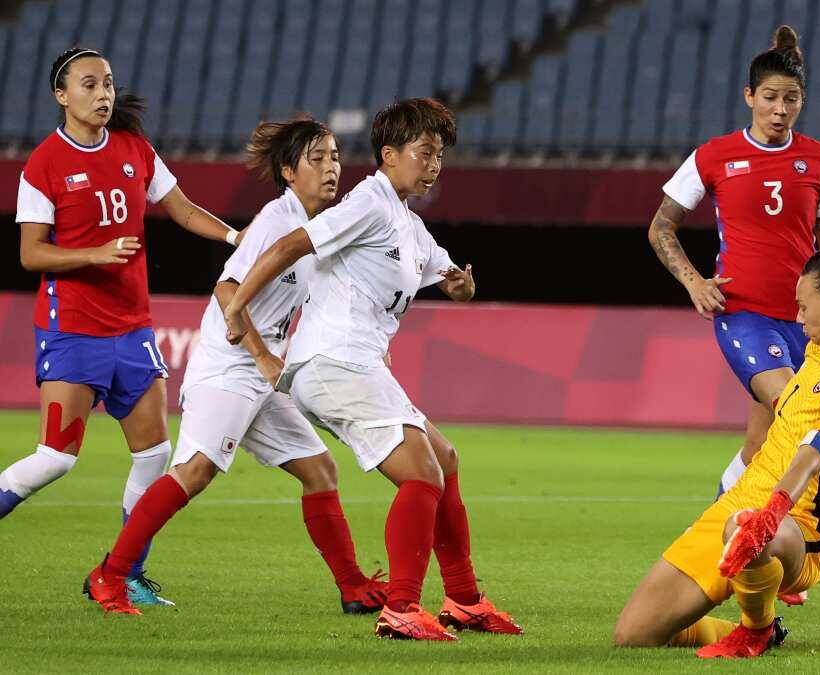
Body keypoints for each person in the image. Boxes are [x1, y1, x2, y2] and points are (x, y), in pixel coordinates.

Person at [221, 98, 517, 640]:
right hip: (332, 361)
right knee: (421, 472)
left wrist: (462, 286)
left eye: (440, 155)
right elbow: (292, 244)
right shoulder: (368, 202)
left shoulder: (409, 224)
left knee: (444, 459)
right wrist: (238, 306)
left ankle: (464, 600)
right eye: (425, 152)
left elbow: (451, 279)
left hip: (356, 364)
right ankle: (402, 608)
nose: (434, 165)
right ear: (389, 154)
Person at [84, 116, 388, 616]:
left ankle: (353, 587)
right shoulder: (276, 221)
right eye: (317, 159)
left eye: (335, 157)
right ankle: (111, 575)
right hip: (229, 366)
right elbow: (227, 290)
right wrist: (264, 356)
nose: (331, 168)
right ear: (289, 172)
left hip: (262, 373)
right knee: (195, 471)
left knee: (320, 470)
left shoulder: (319, 229)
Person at [2, 47, 242, 605]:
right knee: (55, 459)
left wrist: (237, 237)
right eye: (89, 84)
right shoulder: (43, 163)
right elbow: (31, 254)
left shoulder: (135, 148)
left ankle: (124, 574)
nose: (103, 94)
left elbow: (183, 210)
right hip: (72, 331)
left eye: (108, 83)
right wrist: (95, 253)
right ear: (62, 95)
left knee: (155, 456)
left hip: (132, 331)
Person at [614, 245, 820, 658]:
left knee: (744, 527)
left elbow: (811, 455)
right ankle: (764, 629)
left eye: (803, 307)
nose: (798, 318)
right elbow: (809, 416)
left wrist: (770, 514)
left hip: (799, 531)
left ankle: (754, 630)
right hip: (740, 503)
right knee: (634, 634)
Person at [649, 25, 820, 499]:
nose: (780, 110)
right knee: (793, 407)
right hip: (743, 314)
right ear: (749, 96)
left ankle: (722, 518)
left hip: (804, 320)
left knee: (760, 445)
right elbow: (660, 227)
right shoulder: (714, 156)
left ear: (802, 101)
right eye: (770, 98)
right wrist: (694, 282)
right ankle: (769, 522)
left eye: (791, 99)